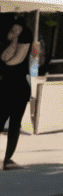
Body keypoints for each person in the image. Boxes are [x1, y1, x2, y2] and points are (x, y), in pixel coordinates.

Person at [1, 21, 33, 170]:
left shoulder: (26, 42)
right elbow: (5, 58)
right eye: (13, 28)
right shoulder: (8, 43)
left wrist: (15, 40)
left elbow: (13, 61)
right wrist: (14, 40)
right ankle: (7, 160)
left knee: (15, 124)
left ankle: (8, 159)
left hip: (19, 90)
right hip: (6, 88)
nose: (14, 31)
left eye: (17, 29)